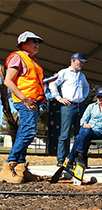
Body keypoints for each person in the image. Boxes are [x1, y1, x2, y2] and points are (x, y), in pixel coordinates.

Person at [0, 31, 45, 183]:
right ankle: (8, 166)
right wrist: (25, 99)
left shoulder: (32, 61)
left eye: (38, 41)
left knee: (25, 133)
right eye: (33, 40)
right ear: (23, 43)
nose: (37, 43)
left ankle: (20, 168)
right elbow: (8, 81)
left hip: (34, 102)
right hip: (26, 102)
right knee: (28, 132)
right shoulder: (17, 57)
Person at [49, 53, 89, 167]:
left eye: (82, 62)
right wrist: (59, 98)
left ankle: (75, 160)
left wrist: (84, 97)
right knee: (65, 134)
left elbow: (87, 86)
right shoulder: (64, 72)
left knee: (79, 134)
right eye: (80, 61)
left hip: (79, 106)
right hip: (68, 106)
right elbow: (52, 84)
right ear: (73, 60)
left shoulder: (82, 76)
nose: (81, 63)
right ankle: (61, 160)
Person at [65, 87, 102, 167]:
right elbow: (83, 119)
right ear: (96, 97)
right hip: (87, 130)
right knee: (83, 133)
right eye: (99, 97)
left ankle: (74, 158)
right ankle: (77, 156)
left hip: (98, 132)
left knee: (78, 137)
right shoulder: (91, 106)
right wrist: (85, 124)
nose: (100, 99)